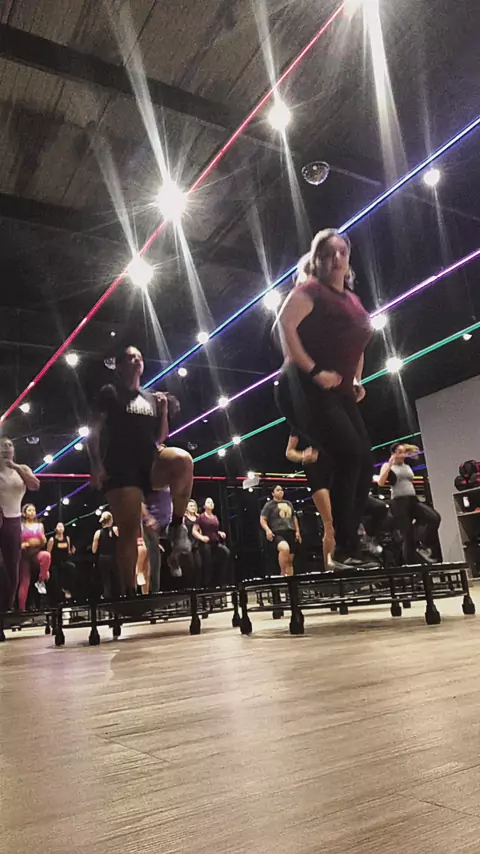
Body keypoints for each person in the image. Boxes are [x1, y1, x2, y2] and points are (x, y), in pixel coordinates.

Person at [275, 228, 373, 568]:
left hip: (339, 391)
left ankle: (351, 539)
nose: (336, 258)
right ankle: (345, 545)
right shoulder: (309, 291)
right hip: (302, 386)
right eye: (328, 253)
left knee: (365, 459)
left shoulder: (353, 302)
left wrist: (356, 379)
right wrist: (314, 370)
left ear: (349, 259)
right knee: (350, 454)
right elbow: (284, 326)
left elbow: (358, 343)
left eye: (342, 252)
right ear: (316, 260)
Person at [88, 345, 193, 595]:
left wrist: (164, 411)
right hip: (120, 466)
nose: (136, 360)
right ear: (120, 366)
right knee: (129, 529)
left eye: (140, 357)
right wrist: (95, 464)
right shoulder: (110, 392)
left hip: (149, 463)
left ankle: (177, 526)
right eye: (131, 357)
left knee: (183, 460)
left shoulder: (150, 398)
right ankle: (129, 591)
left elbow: (160, 437)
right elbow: (94, 430)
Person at [378, 443, 441, 564]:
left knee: (434, 518)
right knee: (407, 536)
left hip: (412, 499)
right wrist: (390, 463)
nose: (403, 455)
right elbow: (381, 482)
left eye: (404, 452)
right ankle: (411, 565)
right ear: (393, 453)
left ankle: (420, 541)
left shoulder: (406, 466)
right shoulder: (388, 466)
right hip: (399, 501)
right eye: (399, 452)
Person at [0, 438, 40, 611]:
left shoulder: (22, 468)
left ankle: (6, 609)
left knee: (12, 568)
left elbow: (35, 485)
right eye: (2, 446)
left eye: (9, 445)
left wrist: (15, 467)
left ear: (14, 450)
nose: (6, 448)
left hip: (14, 520)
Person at [285, 434, 335, 568]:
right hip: (317, 472)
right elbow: (289, 452)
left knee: (340, 521)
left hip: (335, 469)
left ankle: (338, 564)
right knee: (330, 523)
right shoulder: (301, 424)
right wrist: (302, 455)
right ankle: (331, 569)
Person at [260, 485, 302, 576]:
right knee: (284, 548)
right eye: (278, 490)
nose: (280, 492)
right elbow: (263, 519)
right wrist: (267, 530)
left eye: (282, 490)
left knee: (290, 560)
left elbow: (294, 518)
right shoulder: (269, 505)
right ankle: (283, 574)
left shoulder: (289, 503)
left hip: (290, 531)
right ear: (273, 493)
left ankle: (290, 579)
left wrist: (297, 531)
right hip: (278, 532)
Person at [18, 504, 51, 611]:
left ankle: (41, 580)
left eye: (33, 510)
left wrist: (41, 540)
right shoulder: (20, 526)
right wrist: (26, 543)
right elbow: (18, 542)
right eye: (29, 510)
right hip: (24, 556)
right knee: (25, 582)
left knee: (46, 555)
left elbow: (43, 541)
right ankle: (21, 609)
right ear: (24, 513)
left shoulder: (40, 526)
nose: (32, 512)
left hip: (36, 553)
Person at [194, 498, 231, 587]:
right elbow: (194, 531)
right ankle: (207, 584)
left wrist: (220, 533)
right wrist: (202, 537)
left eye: (212, 502)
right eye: (208, 502)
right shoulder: (201, 517)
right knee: (208, 562)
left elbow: (214, 530)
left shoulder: (215, 517)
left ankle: (222, 581)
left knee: (226, 552)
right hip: (206, 543)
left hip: (215, 542)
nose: (211, 503)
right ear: (204, 506)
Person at [92, 511, 120, 600]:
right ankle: (118, 597)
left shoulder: (98, 533)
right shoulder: (116, 529)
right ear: (111, 520)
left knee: (106, 580)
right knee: (116, 578)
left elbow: (94, 550)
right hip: (114, 557)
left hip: (103, 558)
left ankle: (107, 598)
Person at [46, 521, 76, 603]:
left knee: (72, 568)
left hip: (64, 562)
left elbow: (68, 552)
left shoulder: (67, 538)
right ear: (55, 529)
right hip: (54, 563)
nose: (60, 528)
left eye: (62, 526)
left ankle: (68, 590)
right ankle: (56, 599)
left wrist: (72, 551)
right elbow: (48, 554)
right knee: (56, 581)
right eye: (58, 526)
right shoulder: (52, 540)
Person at [182, 499, 203, 587]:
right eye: (191, 506)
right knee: (190, 567)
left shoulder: (199, 517)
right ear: (186, 507)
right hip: (188, 544)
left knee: (199, 566)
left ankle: (198, 587)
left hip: (196, 544)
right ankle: (190, 587)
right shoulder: (184, 518)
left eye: (194, 506)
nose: (193, 507)